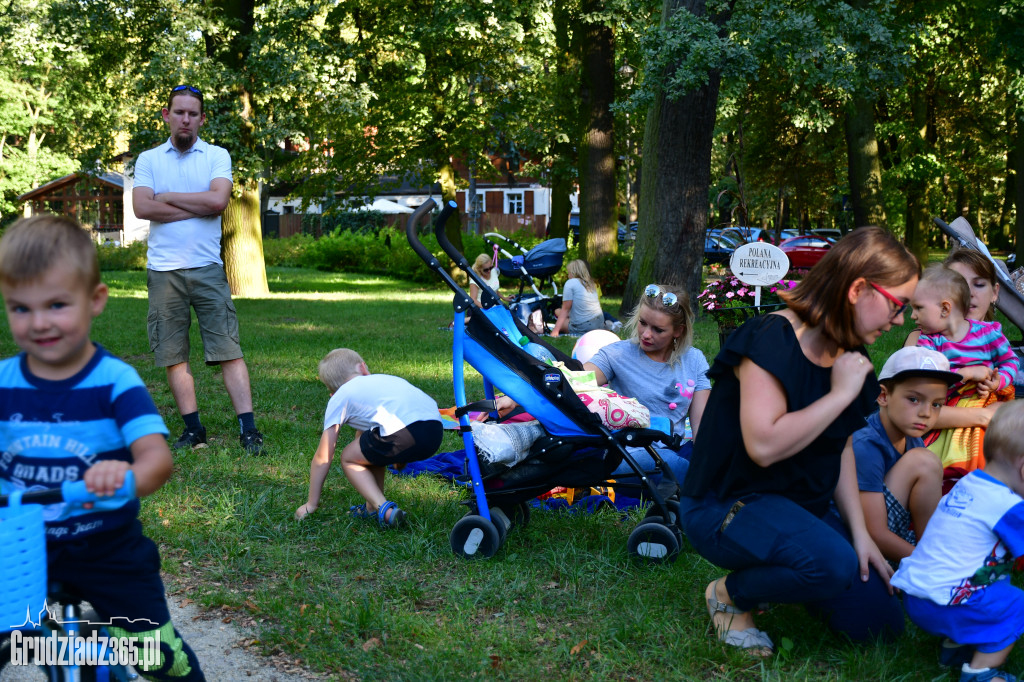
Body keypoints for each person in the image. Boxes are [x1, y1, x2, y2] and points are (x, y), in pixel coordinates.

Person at [679, 226, 919, 656]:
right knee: (832, 563)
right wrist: (841, 393)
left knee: (878, 626)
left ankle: (798, 566)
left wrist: (861, 534)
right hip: (727, 504)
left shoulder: (851, 355)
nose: (899, 321)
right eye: (897, 305)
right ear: (859, 289)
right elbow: (764, 445)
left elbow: (840, 445)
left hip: (800, 507)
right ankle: (731, 594)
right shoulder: (770, 338)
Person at [0, 215, 205, 681]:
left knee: (159, 657)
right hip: (20, 545)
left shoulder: (113, 381)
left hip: (107, 546)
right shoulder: (4, 383)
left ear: (94, 301)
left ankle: (127, 650)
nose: (39, 323)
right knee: (13, 632)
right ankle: (59, 651)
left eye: (56, 304)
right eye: (20, 308)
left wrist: (126, 475)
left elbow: (156, 458)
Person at [132, 84, 265, 455]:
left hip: (207, 268)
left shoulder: (217, 156)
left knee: (229, 349)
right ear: (166, 115)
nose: (185, 119)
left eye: (193, 113)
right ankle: (194, 430)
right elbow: (142, 208)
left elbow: (219, 200)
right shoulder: (148, 160)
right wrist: (199, 205)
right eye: (179, 112)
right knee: (173, 354)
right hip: (164, 273)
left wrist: (169, 197)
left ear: (202, 119)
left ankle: (248, 430)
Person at [891, 401, 1024, 682]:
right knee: (1016, 604)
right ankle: (981, 674)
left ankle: (957, 646)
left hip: (917, 596)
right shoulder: (1008, 507)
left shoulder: (968, 484)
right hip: (946, 604)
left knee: (995, 579)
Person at [295, 349, 444, 527]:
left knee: (349, 458)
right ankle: (372, 508)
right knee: (367, 451)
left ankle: (385, 509)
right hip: (435, 429)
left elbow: (323, 456)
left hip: (403, 434)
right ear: (363, 368)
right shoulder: (383, 381)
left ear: (332, 392)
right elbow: (365, 442)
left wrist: (311, 503)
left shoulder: (340, 397)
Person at [584, 283, 710, 485]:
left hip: (674, 449)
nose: (646, 334)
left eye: (658, 329)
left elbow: (703, 428)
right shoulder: (616, 354)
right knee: (674, 466)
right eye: (643, 323)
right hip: (628, 456)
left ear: (678, 330)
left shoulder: (694, 360)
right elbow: (577, 380)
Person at [851, 346, 959, 567]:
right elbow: (874, 533)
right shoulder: (866, 444)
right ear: (883, 396)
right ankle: (929, 556)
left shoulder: (911, 437)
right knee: (924, 462)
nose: (926, 413)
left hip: (893, 530)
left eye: (936, 404)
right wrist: (929, 565)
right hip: (858, 540)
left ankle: (930, 548)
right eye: (914, 399)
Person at [910, 264, 1018, 476]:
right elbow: (928, 383)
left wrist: (998, 382)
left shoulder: (988, 332)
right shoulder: (929, 342)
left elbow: (1011, 361)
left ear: (944, 308)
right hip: (950, 406)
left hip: (986, 397)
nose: (912, 316)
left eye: (918, 308)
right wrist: (968, 373)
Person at [550, 259, 618, 337]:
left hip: (584, 326)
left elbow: (565, 309)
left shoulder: (570, 283)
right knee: (559, 312)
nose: (568, 276)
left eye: (568, 273)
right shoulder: (590, 283)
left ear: (573, 272)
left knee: (560, 319)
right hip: (599, 322)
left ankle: (586, 331)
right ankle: (605, 328)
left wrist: (555, 330)